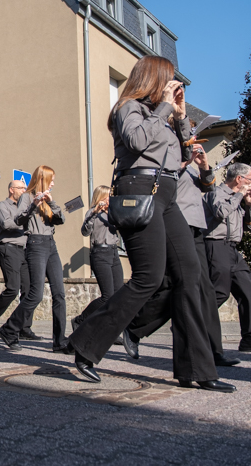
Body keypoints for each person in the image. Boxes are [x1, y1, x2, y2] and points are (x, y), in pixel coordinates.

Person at [67, 56, 233, 393]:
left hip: (167, 193)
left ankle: (196, 369)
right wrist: (164, 109)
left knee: (190, 274)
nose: (174, 86)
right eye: (169, 79)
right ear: (154, 79)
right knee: (149, 277)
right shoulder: (128, 107)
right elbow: (136, 141)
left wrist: (181, 117)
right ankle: (86, 343)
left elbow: (182, 155)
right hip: (139, 190)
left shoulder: (164, 116)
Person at [122, 142, 240, 366]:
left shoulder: (192, 166)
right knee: (175, 285)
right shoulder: (167, 155)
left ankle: (213, 351)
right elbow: (161, 182)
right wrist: (184, 162)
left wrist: (204, 167)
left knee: (205, 290)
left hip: (196, 225)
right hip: (175, 224)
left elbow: (208, 189)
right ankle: (135, 327)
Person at [203, 162, 251, 354]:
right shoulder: (216, 193)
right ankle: (190, 324)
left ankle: (250, 339)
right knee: (219, 293)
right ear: (239, 179)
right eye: (250, 180)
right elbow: (221, 212)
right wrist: (238, 196)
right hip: (215, 245)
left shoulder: (238, 198)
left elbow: (250, 227)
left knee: (247, 290)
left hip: (233, 249)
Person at [0, 166, 68, 352]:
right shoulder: (27, 197)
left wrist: (51, 203)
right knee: (35, 294)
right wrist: (34, 204)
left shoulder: (48, 199)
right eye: (51, 180)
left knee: (59, 294)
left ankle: (59, 341)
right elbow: (18, 219)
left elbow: (60, 219)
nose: (53, 183)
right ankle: (9, 329)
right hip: (35, 244)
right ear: (42, 179)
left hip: (51, 245)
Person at [0, 180, 40, 341]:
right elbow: (7, 224)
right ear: (11, 190)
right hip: (8, 248)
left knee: (28, 290)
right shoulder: (2, 206)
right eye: (21, 188)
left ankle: (24, 327)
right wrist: (24, 223)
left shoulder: (26, 207)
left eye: (25, 188)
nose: (24, 191)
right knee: (13, 289)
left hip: (25, 250)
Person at [70, 185, 123, 332]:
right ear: (101, 197)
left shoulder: (113, 213)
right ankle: (80, 320)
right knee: (107, 296)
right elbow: (85, 232)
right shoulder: (92, 212)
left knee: (118, 295)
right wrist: (95, 213)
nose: (110, 199)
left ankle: (108, 331)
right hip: (100, 254)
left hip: (114, 253)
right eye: (108, 197)